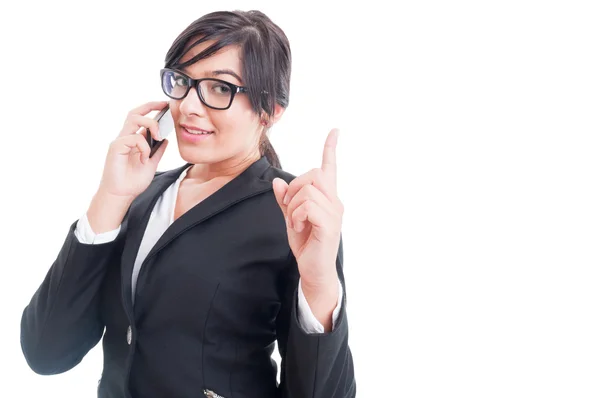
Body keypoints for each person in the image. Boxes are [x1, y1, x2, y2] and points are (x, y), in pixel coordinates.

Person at [20, 9, 355, 398]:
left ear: (270, 111)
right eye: (182, 81)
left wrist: (319, 284)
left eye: (219, 88)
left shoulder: (292, 211)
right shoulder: (140, 193)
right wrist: (109, 198)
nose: (189, 106)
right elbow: (46, 352)